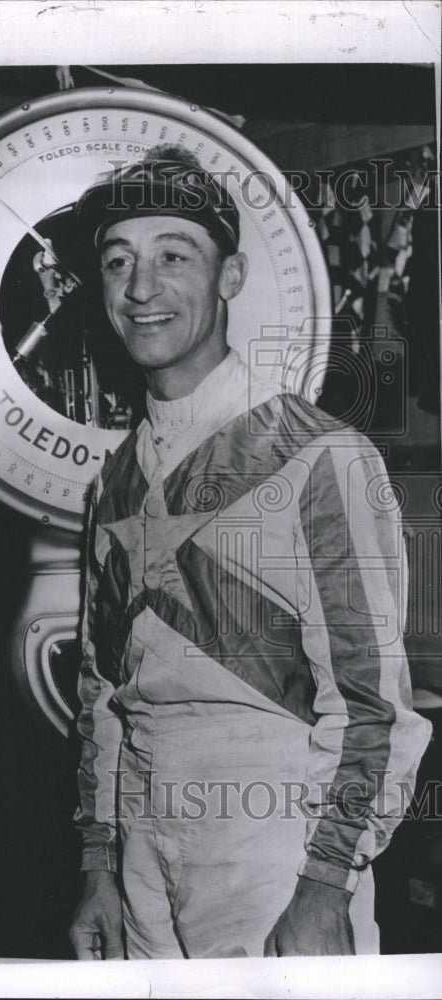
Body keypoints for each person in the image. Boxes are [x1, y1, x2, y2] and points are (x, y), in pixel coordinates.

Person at [68, 147, 431, 960]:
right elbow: (99, 692)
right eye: (118, 261)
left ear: (228, 277)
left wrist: (325, 883)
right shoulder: (114, 482)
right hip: (138, 850)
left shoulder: (319, 455)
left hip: (273, 842)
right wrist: (97, 862)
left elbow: (371, 704)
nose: (139, 288)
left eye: (173, 257)